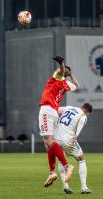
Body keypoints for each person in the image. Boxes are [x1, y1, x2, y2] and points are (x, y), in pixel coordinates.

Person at [39, 56, 79, 187]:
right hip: (54, 112)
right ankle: (51, 172)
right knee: (48, 143)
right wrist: (71, 74)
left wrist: (62, 63)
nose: (59, 69)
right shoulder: (67, 84)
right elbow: (77, 86)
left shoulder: (57, 77)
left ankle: (67, 166)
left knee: (49, 141)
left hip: (47, 109)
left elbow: (61, 71)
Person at [54, 103, 93, 194]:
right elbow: (78, 131)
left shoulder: (69, 107)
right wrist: (74, 138)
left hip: (56, 138)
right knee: (81, 159)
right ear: (87, 112)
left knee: (60, 160)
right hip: (68, 139)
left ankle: (65, 186)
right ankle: (84, 187)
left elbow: (55, 110)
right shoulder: (83, 116)